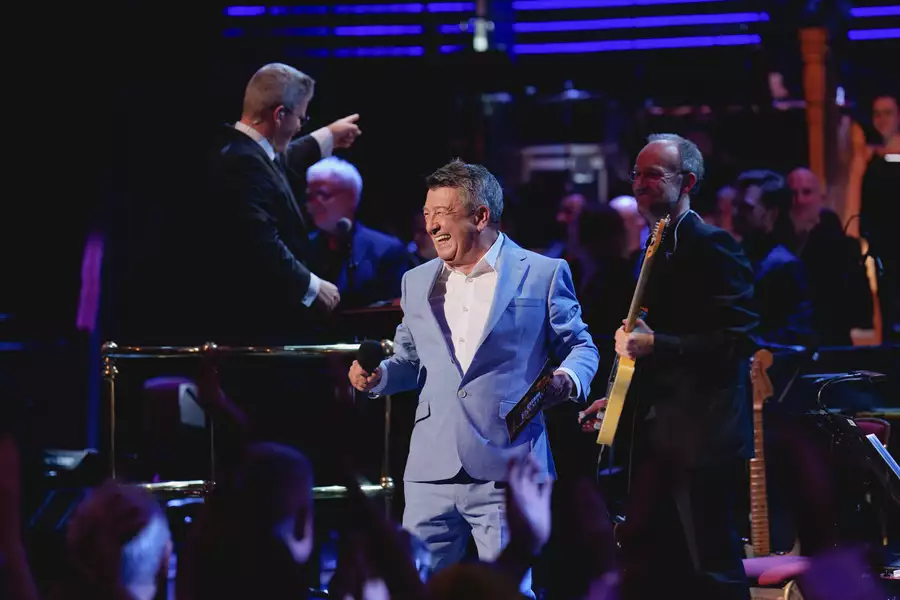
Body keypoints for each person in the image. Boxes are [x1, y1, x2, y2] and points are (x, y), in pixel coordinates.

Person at [348, 159, 599, 595]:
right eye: (426, 215)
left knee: (510, 591)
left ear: (480, 216)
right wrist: (378, 378)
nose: (431, 226)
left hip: (507, 462)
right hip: (430, 467)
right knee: (411, 586)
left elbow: (583, 348)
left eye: (442, 214)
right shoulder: (415, 281)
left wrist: (565, 380)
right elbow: (409, 363)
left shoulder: (542, 273)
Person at [581, 134, 758, 600]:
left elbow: (738, 340)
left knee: (712, 567)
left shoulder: (712, 245)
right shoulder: (653, 246)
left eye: (654, 174)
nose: (641, 184)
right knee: (655, 567)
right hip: (656, 438)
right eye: (636, 174)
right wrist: (615, 399)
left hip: (702, 439)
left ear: (688, 182)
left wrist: (659, 343)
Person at [205, 62, 361, 343]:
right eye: (300, 118)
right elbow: (258, 241)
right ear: (280, 115)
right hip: (259, 333)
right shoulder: (243, 163)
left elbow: (282, 161)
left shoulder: (245, 152)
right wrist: (311, 286)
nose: (301, 125)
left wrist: (328, 136)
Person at [304, 157, 409, 309]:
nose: (312, 204)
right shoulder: (302, 248)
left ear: (351, 197)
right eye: (309, 196)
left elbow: (397, 309)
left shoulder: (387, 250)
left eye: (322, 194)